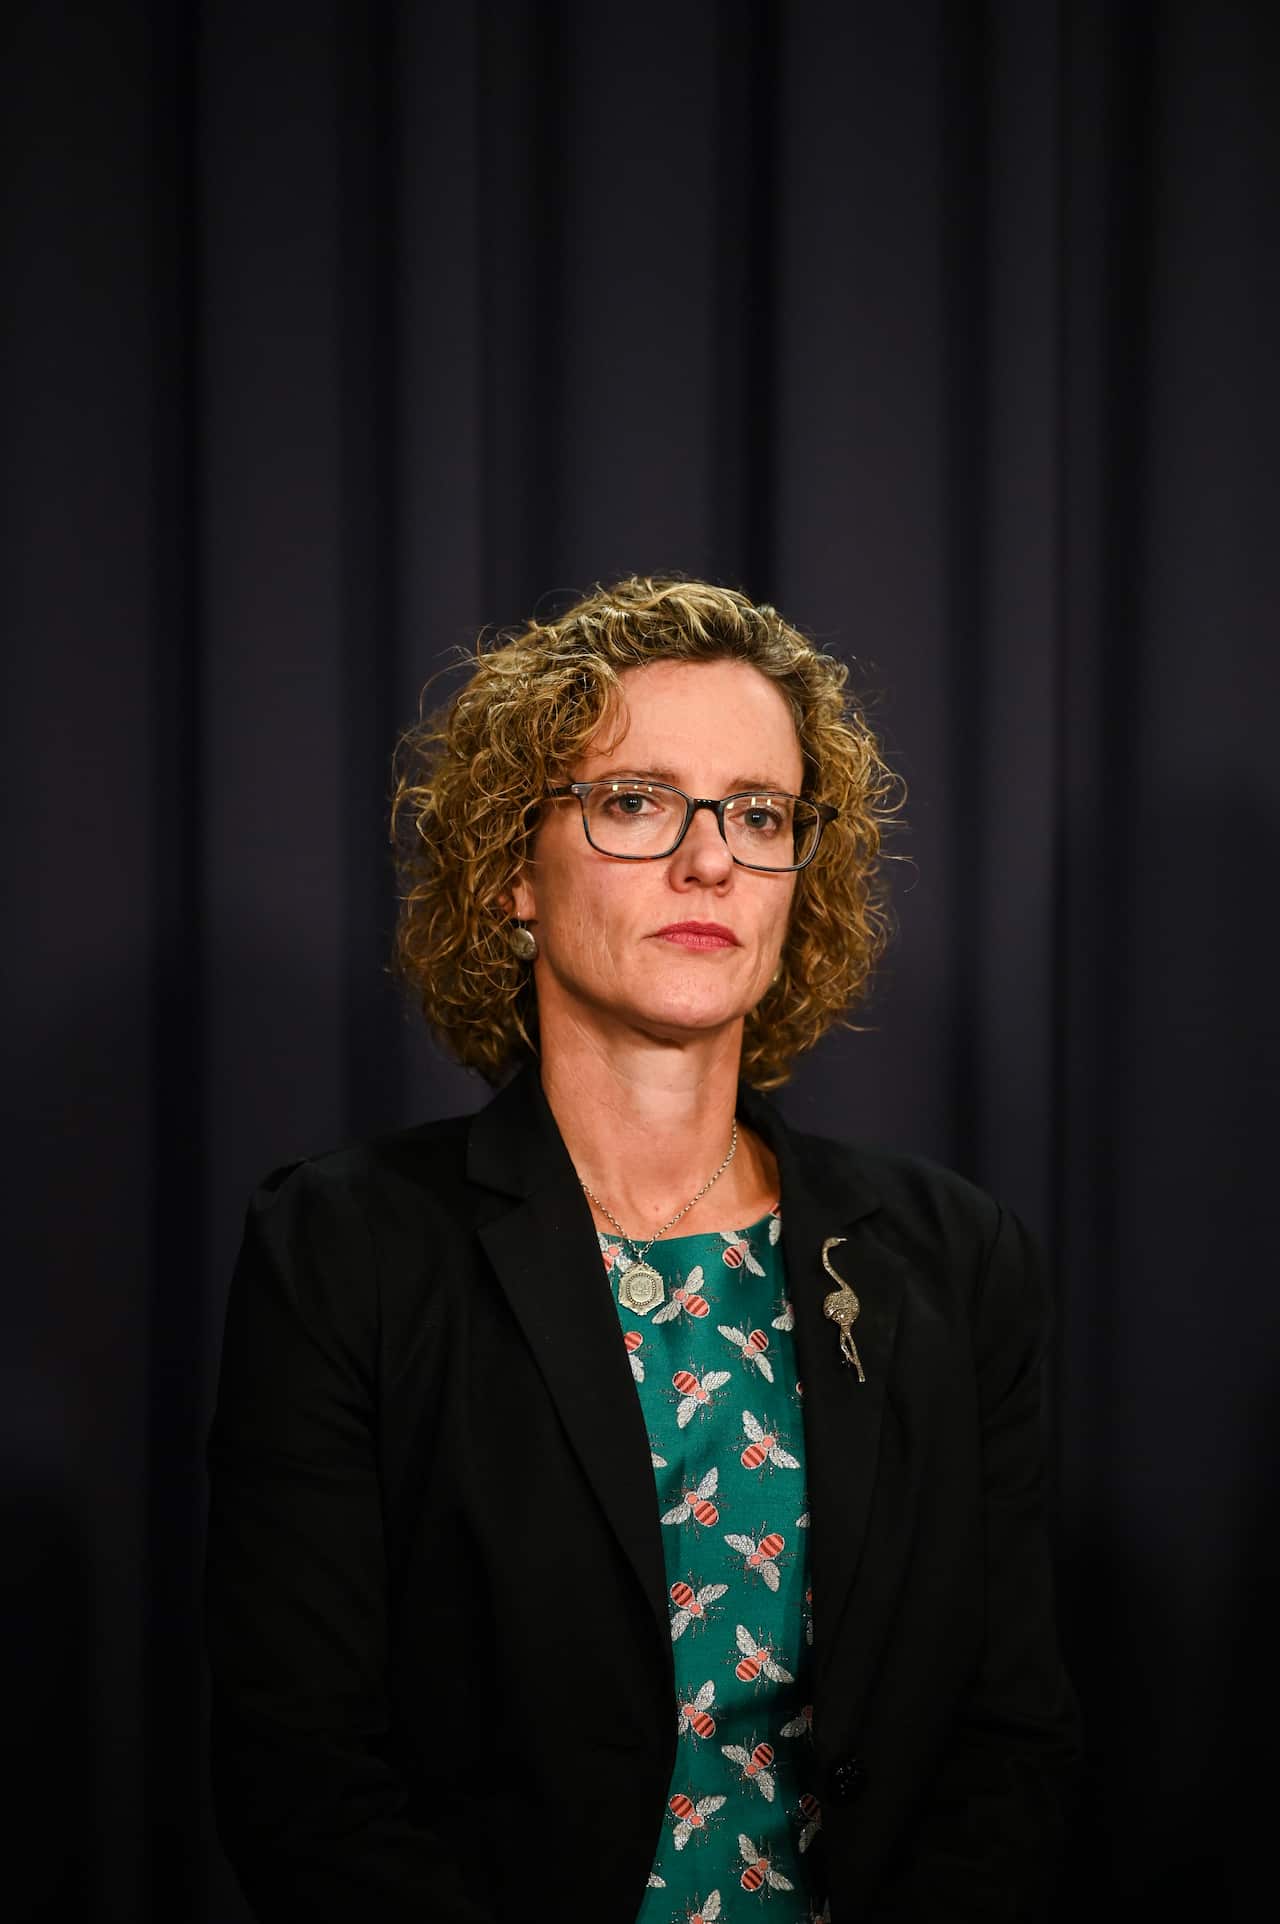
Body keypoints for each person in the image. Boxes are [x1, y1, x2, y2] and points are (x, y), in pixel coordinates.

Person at [204, 576, 1081, 1923]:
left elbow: (1008, 1746)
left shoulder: (953, 1262)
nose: (711, 860)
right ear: (511, 870)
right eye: (634, 801)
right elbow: (303, 1778)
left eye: (759, 813)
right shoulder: (345, 1251)